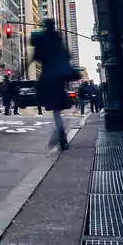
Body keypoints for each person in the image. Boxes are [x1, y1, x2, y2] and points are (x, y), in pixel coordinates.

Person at [32, 18, 76, 150]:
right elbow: (67, 55)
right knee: (57, 107)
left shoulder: (43, 39)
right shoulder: (58, 39)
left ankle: (61, 133)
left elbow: (37, 55)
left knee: (53, 106)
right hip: (59, 77)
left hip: (49, 76)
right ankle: (61, 133)